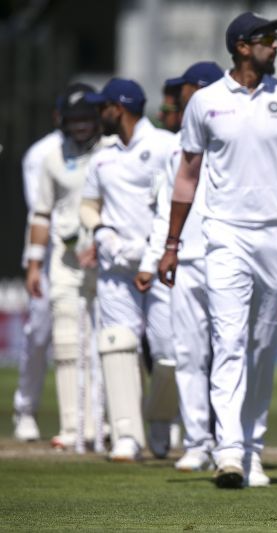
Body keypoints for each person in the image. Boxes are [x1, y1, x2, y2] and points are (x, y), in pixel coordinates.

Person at [158, 12, 277, 489]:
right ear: (243, 47)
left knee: (261, 347)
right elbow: (186, 178)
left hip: (276, 235)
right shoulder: (205, 102)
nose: (276, 45)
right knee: (228, 341)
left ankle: (252, 450)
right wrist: (171, 243)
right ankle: (229, 452)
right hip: (224, 234)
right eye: (268, 38)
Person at [81, 78, 178, 462]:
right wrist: (102, 232)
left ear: (117, 108)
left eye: (101, 106)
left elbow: (176, 201)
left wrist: (154, 251)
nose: (97, 114)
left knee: (170, 350)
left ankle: (159, 423)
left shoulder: (165, 146)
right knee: (117, 345)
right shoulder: (102, 156)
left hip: (159, 266)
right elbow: (89, 204)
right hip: (115, 267)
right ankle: (126, 435)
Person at [138, 61, 224, 473]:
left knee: (230, 354)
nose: (179, 101)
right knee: (188, 354)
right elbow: (161, 212)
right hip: (187, 259)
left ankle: (229, 443)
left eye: (186, 92)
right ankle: (197, 442)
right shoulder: (176, 150)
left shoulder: (233, 143)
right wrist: (157, 254)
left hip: (229, 257)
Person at [25, 83, 113, 451]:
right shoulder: (52, 158)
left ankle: (102, 425)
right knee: (65, 345)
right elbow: (41, 213)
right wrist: (33, 264)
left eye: (86, 118)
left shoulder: (112, 152)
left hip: (108, 259)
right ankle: (71, 426)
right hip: (64, 260)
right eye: (73, 119)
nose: (80, 126)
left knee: (105, 344)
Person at [12, 103, 62, 442]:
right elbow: (40, 210)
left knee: (95, 339)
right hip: (50, 255)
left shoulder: (105, 149)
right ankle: (25, 409)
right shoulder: (41, 153)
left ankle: (93, 418)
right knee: (39, 334)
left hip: (94, 256)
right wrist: (35, 260)